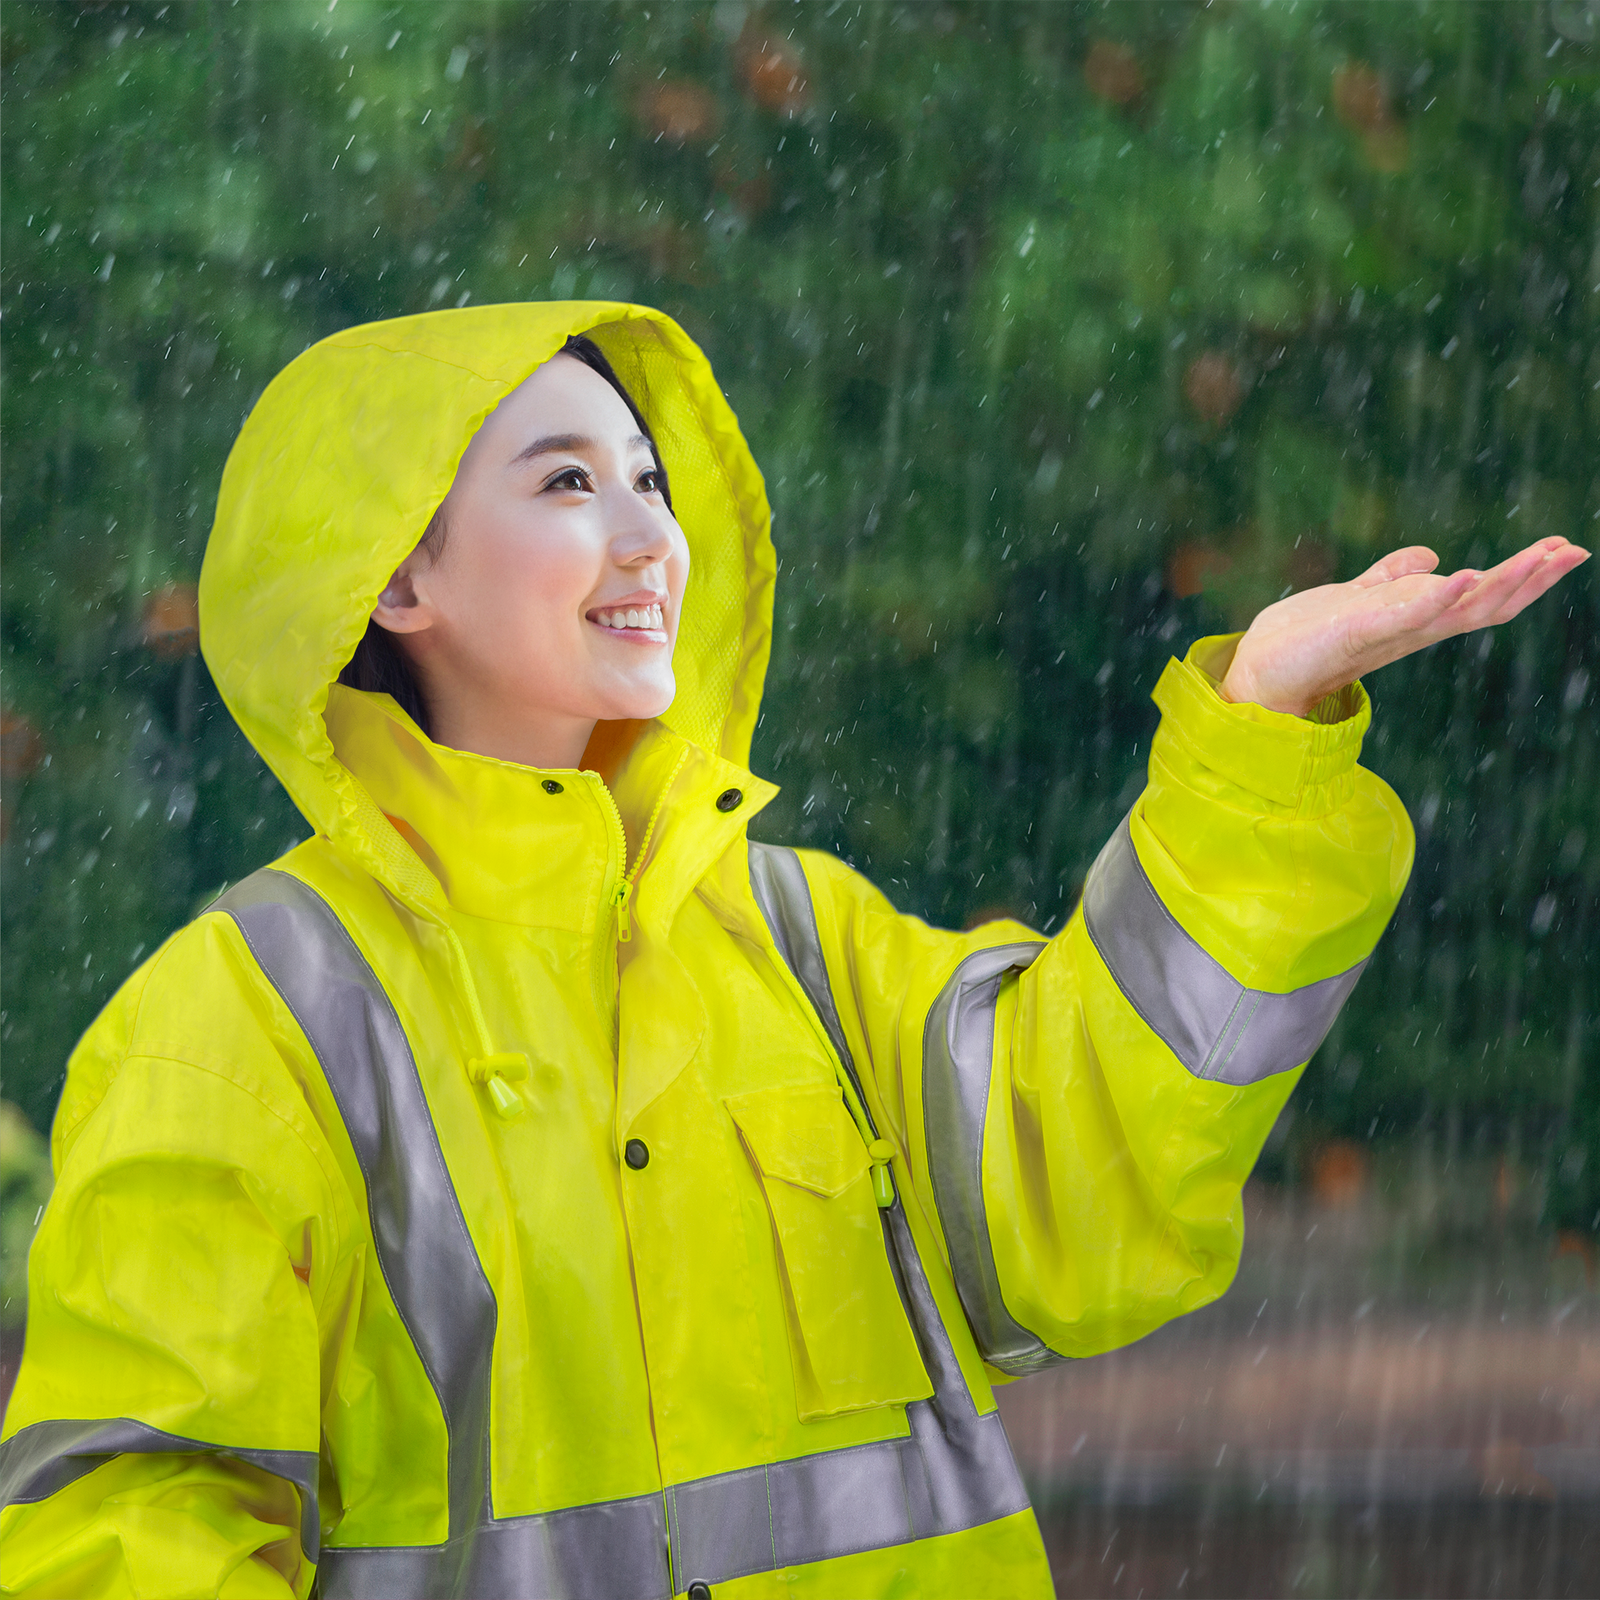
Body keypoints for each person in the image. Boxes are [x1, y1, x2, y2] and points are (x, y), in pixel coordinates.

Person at [0, 303, 1585, 1600]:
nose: (645, 541)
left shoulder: (803, 936)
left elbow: (1086, 1180)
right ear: (395, 577)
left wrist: (1254, 738)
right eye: (565, 485)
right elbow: (130, 1528)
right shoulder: (244, 1019)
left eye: (649, 482)